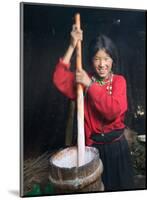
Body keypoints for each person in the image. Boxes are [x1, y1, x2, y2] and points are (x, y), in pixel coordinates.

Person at [52, 24, 134, 191]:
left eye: (106, 58)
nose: (102, 64)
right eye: (97, 58)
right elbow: (59, 79)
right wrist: (72, 45)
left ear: (113, 60)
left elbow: (112, 112)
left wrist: (89, 84)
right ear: (91, 60)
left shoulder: (119, 81)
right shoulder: (84, 79)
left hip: (116, 151)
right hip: (93, 151)